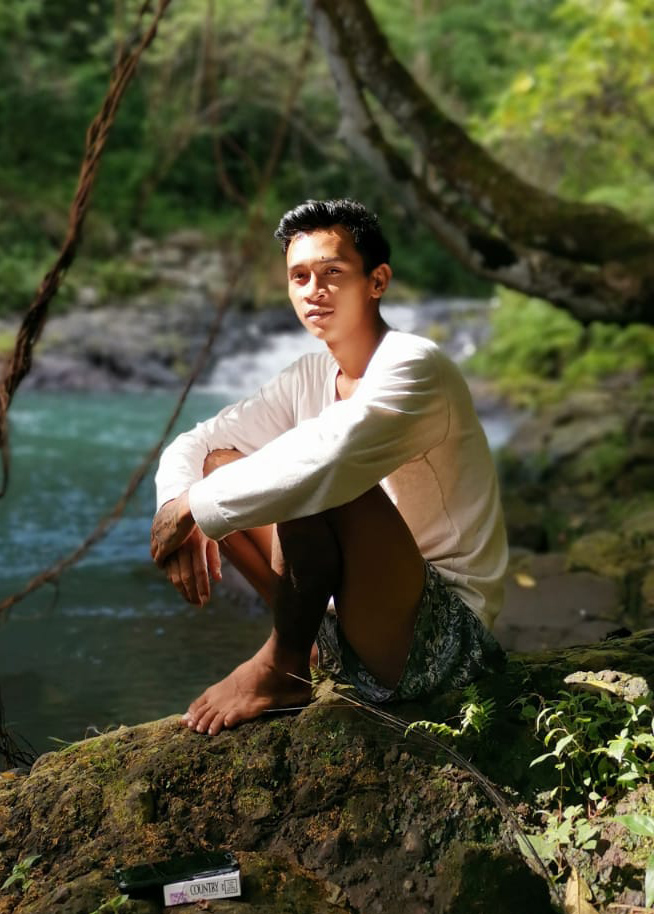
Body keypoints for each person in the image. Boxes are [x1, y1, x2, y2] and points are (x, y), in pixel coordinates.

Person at [150, 198, 508, 737]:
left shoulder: (415, 364)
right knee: (219, 463)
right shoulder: (308, 374)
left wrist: (194, 510)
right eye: (299, 276)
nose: (313, 289)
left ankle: (281, 665)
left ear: (376, 281)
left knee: (316, 476)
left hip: (443, 640)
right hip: (351, 626)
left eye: (333, 272)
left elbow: (329, 459)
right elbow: (199, 442)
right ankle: (307, 648)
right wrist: (175, 503)